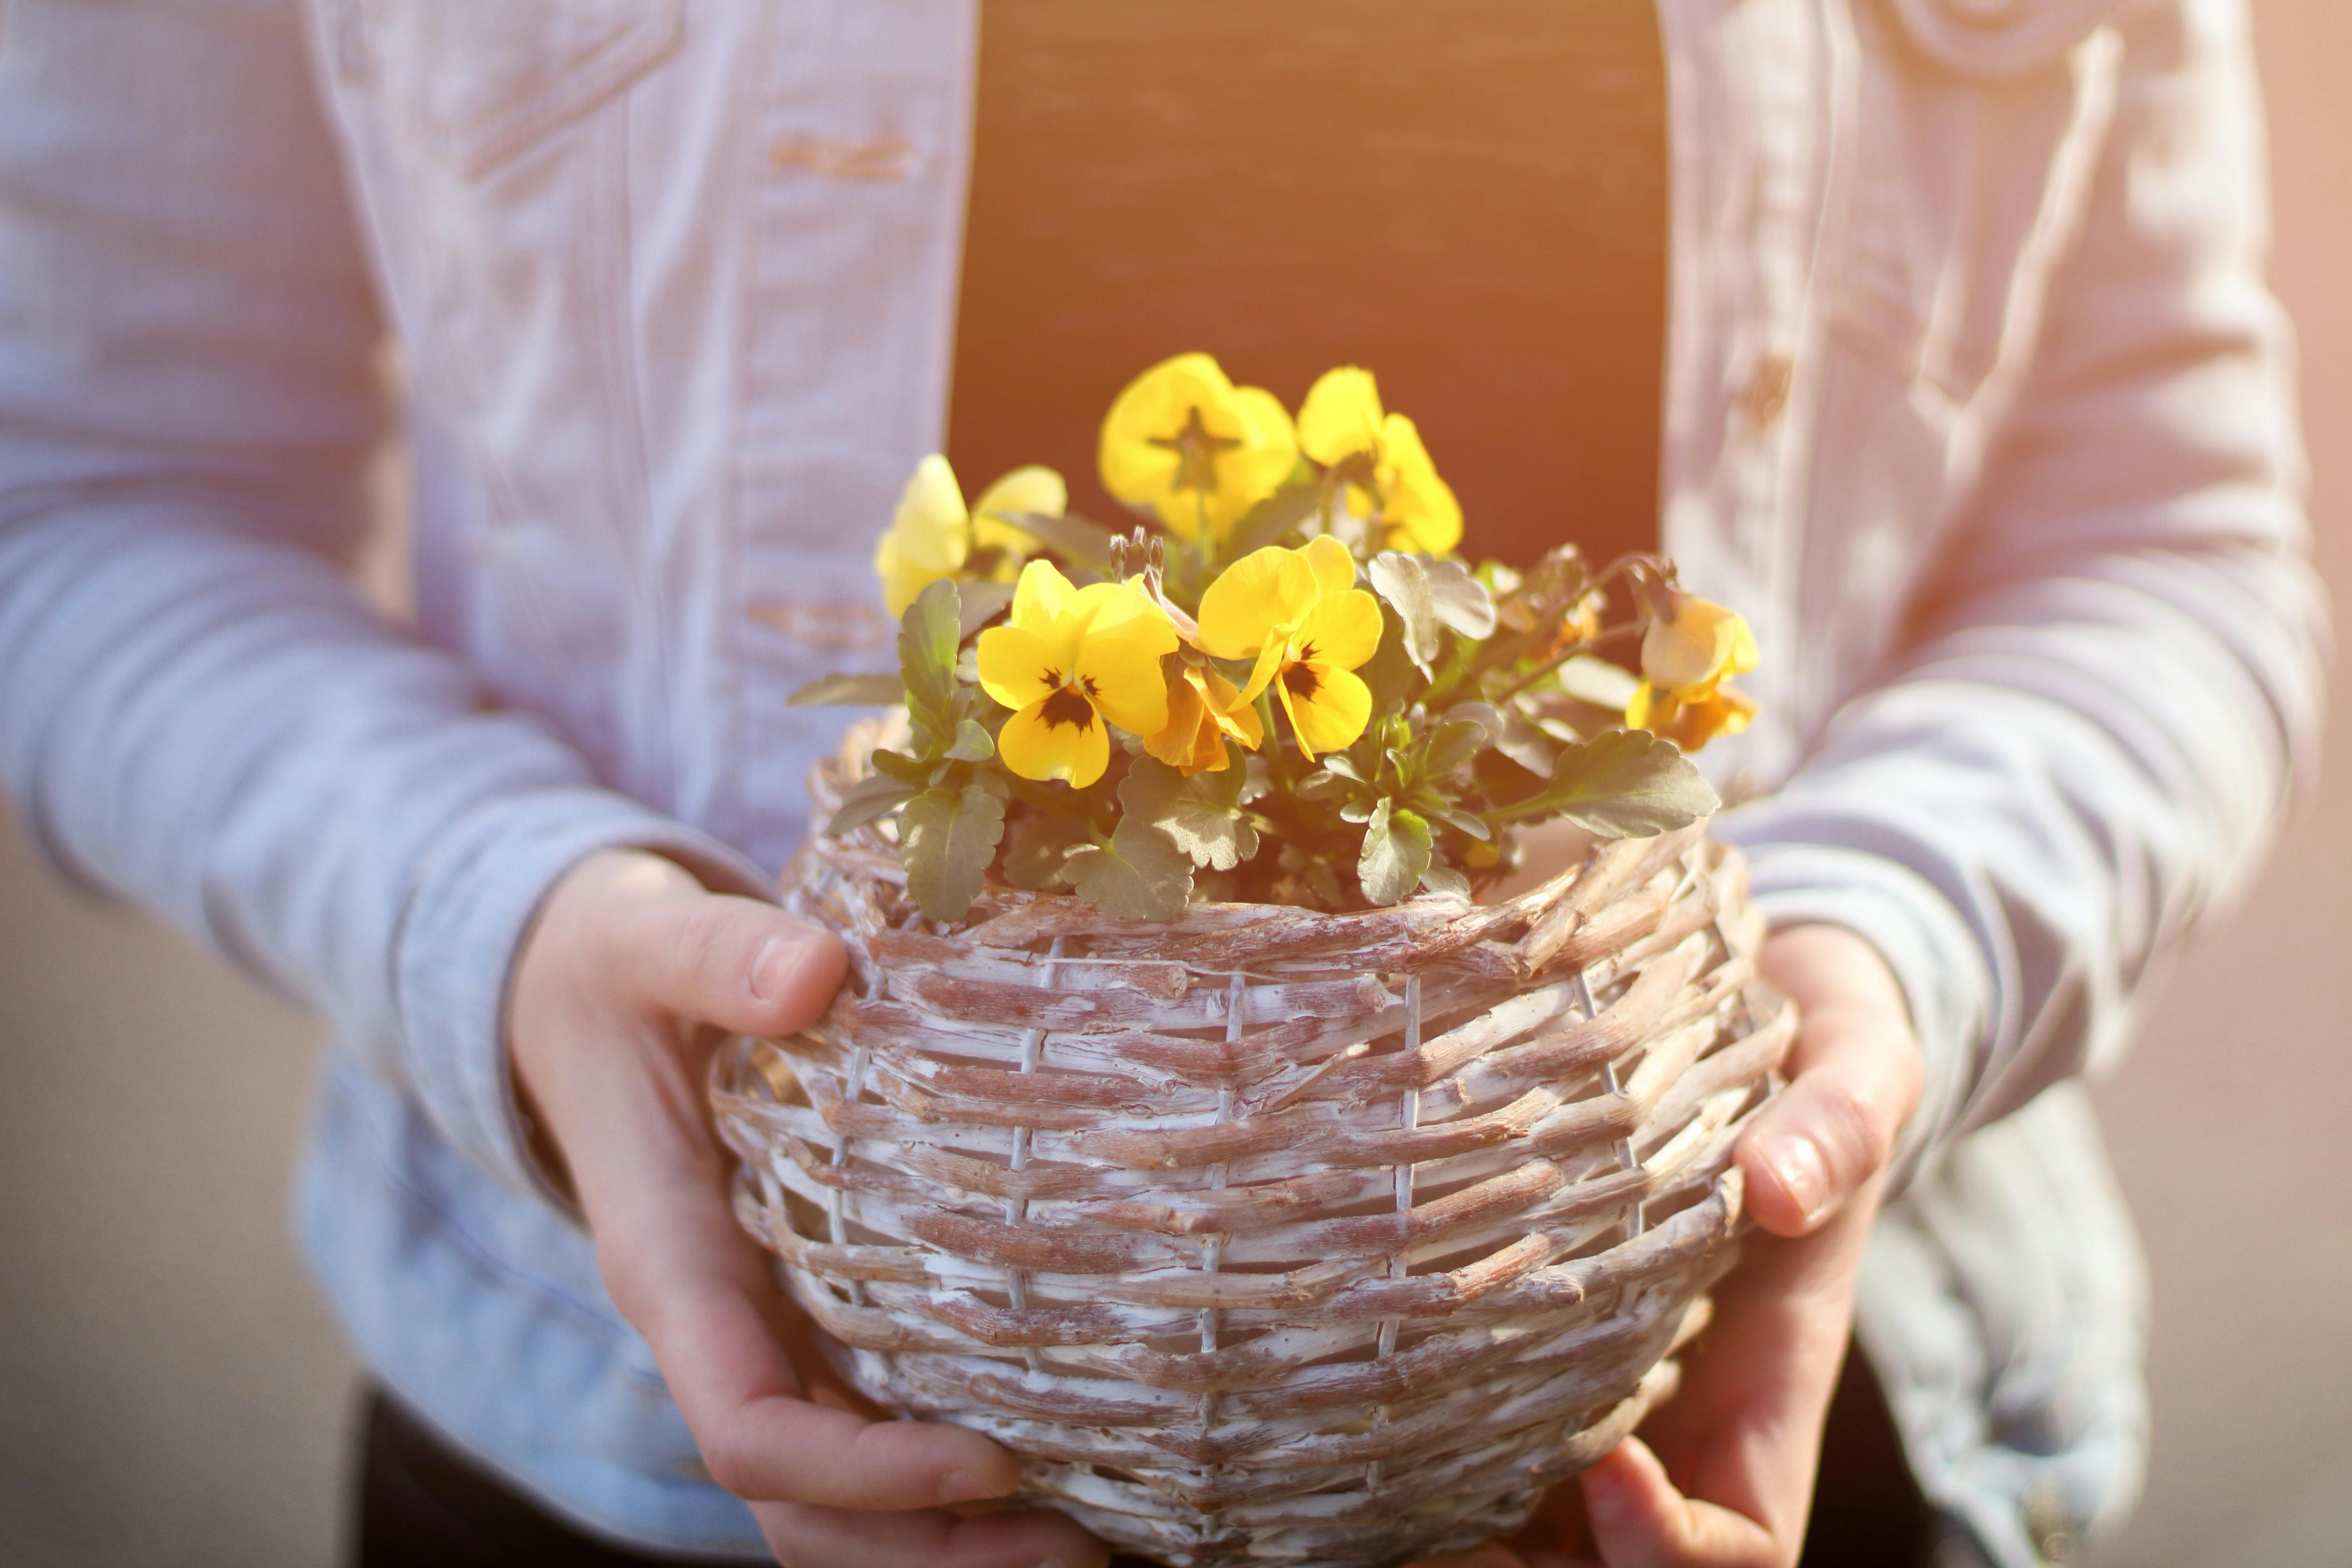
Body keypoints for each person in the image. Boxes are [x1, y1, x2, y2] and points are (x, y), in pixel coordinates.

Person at [0, 2, 2319, 1567]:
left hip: (1751, 1425)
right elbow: (90, 498)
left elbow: (2166, 532)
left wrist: (1898, 945)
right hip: (627, 1461)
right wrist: (498, 926)